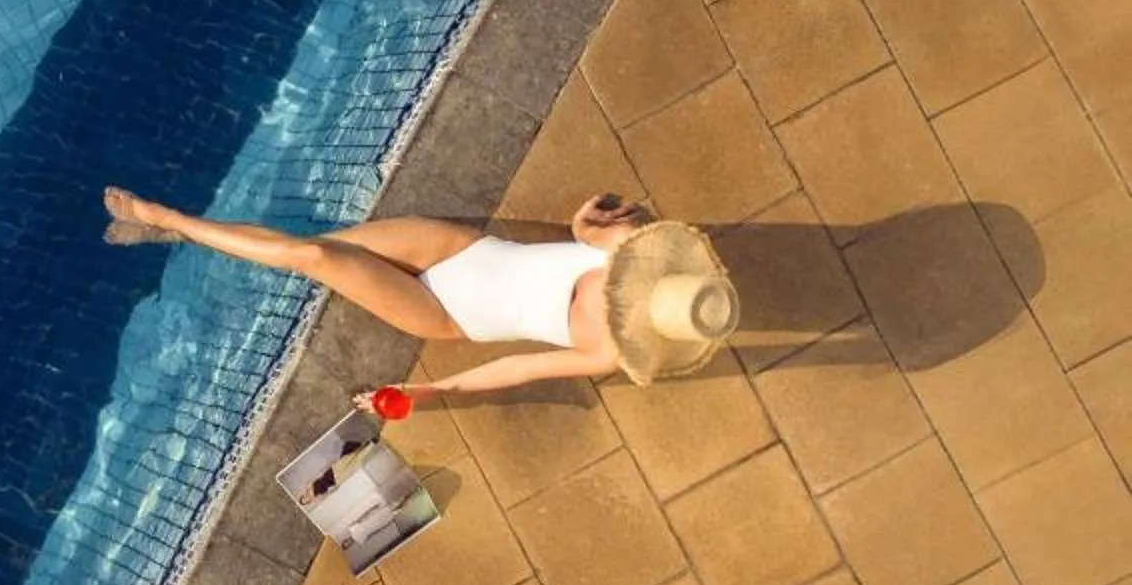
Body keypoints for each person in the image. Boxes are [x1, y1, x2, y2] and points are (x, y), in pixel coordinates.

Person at [98, 186, 737, 401]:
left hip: (444, 313)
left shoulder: (606, 351)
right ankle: (186, 234)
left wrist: (433, 391)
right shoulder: (629, 249)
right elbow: (585, 231)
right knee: (310, 247)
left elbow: (517, 369)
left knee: (312, 256)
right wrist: (582, 226)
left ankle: (170, 220)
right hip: (459, 249)